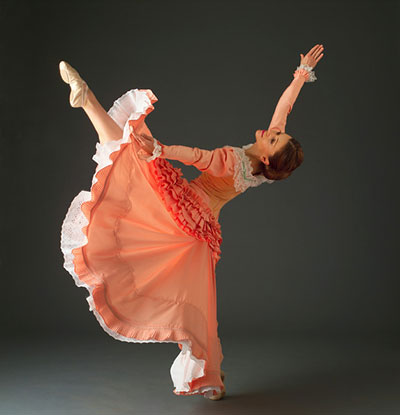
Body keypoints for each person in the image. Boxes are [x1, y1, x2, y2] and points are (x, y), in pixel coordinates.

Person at [59, 44, 324, 400]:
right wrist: (301, 75)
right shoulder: (266, 163)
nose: (271, 131)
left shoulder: (233, 161)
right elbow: (283, 108)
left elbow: (199, 157)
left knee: (136, 153)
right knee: (199, 310)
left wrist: (163, 151)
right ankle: (208, 376)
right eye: (277, 133)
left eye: (274, 138)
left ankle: (88, 100)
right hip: (200, 229)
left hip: (187, 217)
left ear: (267, 155)